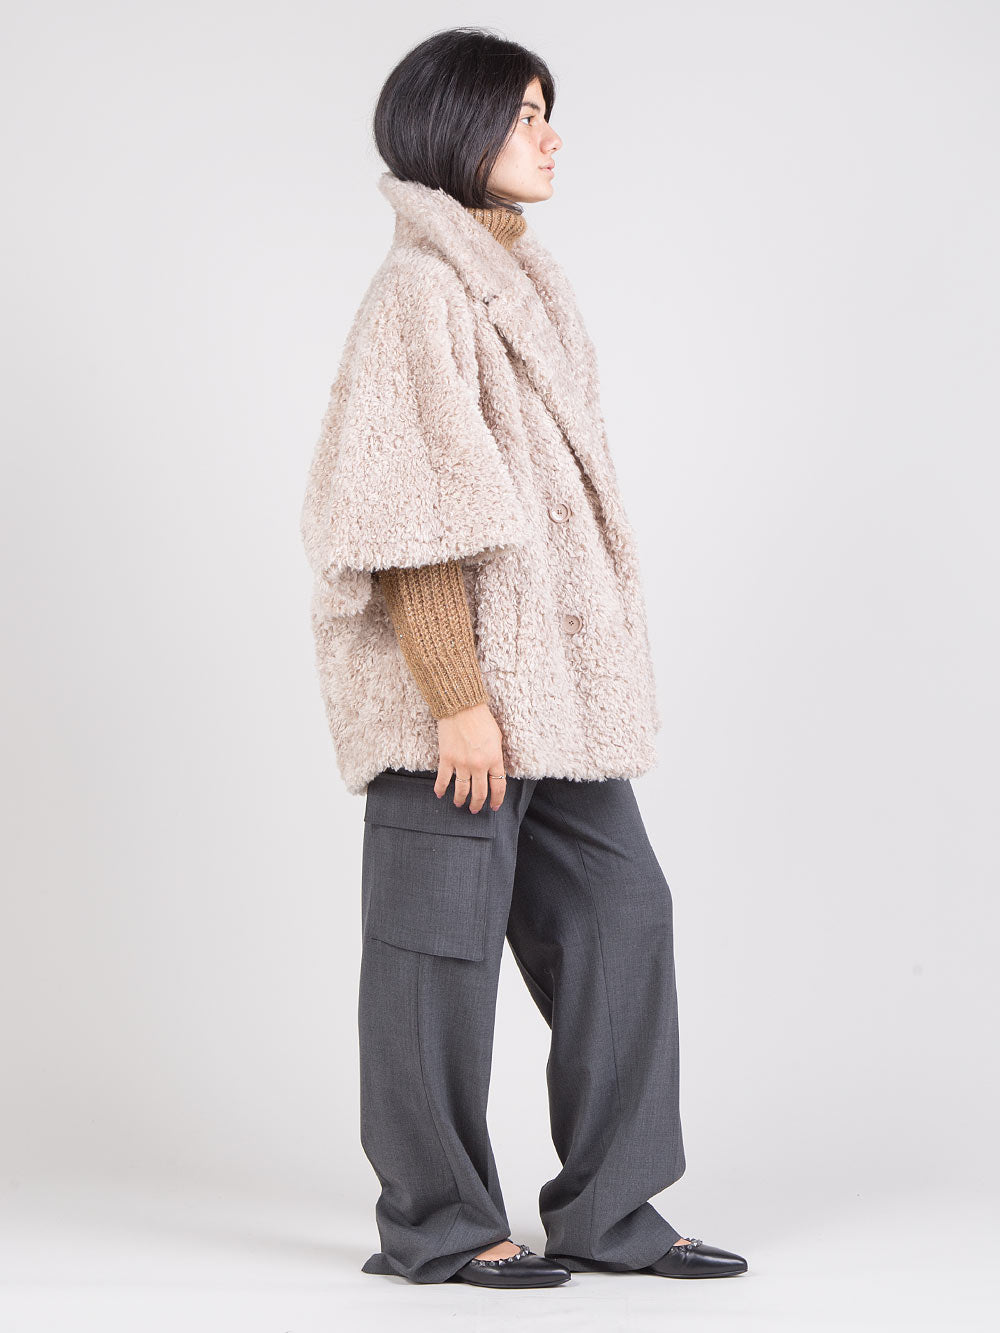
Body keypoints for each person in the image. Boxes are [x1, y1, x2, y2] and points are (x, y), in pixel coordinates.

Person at [300, 26, 749, 1289]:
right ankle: (439, 1225)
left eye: (548, 112)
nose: (549, 137)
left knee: (622, 915)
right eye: (522, 115)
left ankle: (610, 1212)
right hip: (458, 705)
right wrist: (457, 699)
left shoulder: (524, 286)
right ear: (453, 126)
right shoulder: (419, 292)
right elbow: (404, 511)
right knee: (433, 959)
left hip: (559, 703)